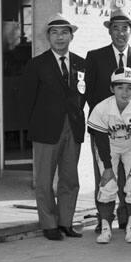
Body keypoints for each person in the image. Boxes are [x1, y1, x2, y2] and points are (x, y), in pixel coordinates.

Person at [84, 7, 131, 231]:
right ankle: (103, 219)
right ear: (109, 32)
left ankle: (128, 218)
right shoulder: (95, 57)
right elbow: (89, 92)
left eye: (125, 28)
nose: (120, 33)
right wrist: (105, 117)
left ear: (130, 31)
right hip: (106, 127)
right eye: (115, 28)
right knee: (106, 172)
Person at [20, 13, 86, 240]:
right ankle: (49, 224)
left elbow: (81, 96)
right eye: (55, 32)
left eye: (64, 32)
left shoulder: (80, 63)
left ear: (71, 36)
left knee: (70, 179)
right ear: (48, 36)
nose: (60, 37)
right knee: (45, 180)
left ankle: (66, 222)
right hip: (46, 129)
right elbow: (26, 99)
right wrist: (37, 125)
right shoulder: (37, 64)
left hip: (73, 128)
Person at [87, 67, 131, 244]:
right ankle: (106, 227)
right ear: (112, 89)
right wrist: (108, 168)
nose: (125, 92)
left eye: (130, 88)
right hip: (109, 147)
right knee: (108, 185)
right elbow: (100, 140)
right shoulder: (101, 109)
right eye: (120, 87)